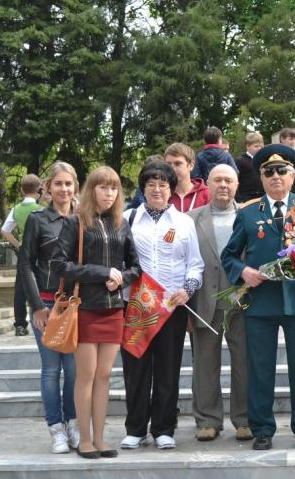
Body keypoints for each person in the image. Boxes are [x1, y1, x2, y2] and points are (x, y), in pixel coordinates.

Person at [221, 144, 295, 450]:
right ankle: (262, 429)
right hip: (261, 302)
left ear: (292, 175)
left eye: (282, 170)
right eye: (268, 172)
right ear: (260, 177)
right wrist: (243, 272)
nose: (275, 176)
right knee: (260, 369)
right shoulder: (248, 212)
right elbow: (229, 255)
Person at [52, 166, 141, 459]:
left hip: (114, 309)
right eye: (103, 187)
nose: (109, 193)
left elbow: (136, 267)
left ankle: (101, 439)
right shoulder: (75, 222)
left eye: (114, 188)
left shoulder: (121, 224)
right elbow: (59, 265)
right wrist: (103, 272)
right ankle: (85, 440)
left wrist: (121, 278)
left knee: (104, 375)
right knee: (87, 375)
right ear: (91, 190)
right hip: (85, 308)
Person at [119, 161, 204, 450]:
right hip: (136, 307)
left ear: (171, 189)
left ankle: (164, 428)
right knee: (136, 369)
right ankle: (135, 428)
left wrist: (187, 290)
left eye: (163, 185)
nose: (157, 189)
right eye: (151, 184)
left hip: (171, 308)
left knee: (168, 369)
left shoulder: (184, 222)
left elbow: (195, 265)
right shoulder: (127, 219)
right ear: (143, 189)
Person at [17, 162, 80, 454]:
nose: (64, 189)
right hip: (46, 303)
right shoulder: (38, 220)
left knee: (74, 369)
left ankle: (74, 424)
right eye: (58, 184)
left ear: (75, 186)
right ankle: (56, 429)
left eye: (68, 183)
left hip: (76, 305)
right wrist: (36, 306)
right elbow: (26, 264)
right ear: (48, 187)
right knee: (51, 369)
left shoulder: (84, 219)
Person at [189, 165, 252, 442]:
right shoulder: (191, 219)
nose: (223, 185)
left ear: (237, 185)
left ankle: (244, 419)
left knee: (244, 362)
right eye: (217, 180)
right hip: (205, 301)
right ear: (208, 184)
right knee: (205, 363)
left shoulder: (249, 216)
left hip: (242, 300)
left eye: (228, 180)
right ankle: (207, 420)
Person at [2, 173, 44, 336]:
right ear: (39, 190)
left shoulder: (16, 209)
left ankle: (20, 324)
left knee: (21, 288)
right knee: (42, 285)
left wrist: (18, 244)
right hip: (41, 252)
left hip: (24, 252)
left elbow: (5, 231)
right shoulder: (42, 210)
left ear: (21, 190)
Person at [165, 143, 210, 213]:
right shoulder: (163, 194)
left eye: (177, 164)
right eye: (168, 164)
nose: (172, 168)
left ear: (191, 165)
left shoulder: (206, 194)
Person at [235, 132, 265, 203]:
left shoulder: (264, 160)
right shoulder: (240, 160)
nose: (259, 148)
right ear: (248, 146)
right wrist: (239, 200)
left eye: (261, 146)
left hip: (262, 197)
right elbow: (235, 181)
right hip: (246, 198)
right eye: (256, 146)